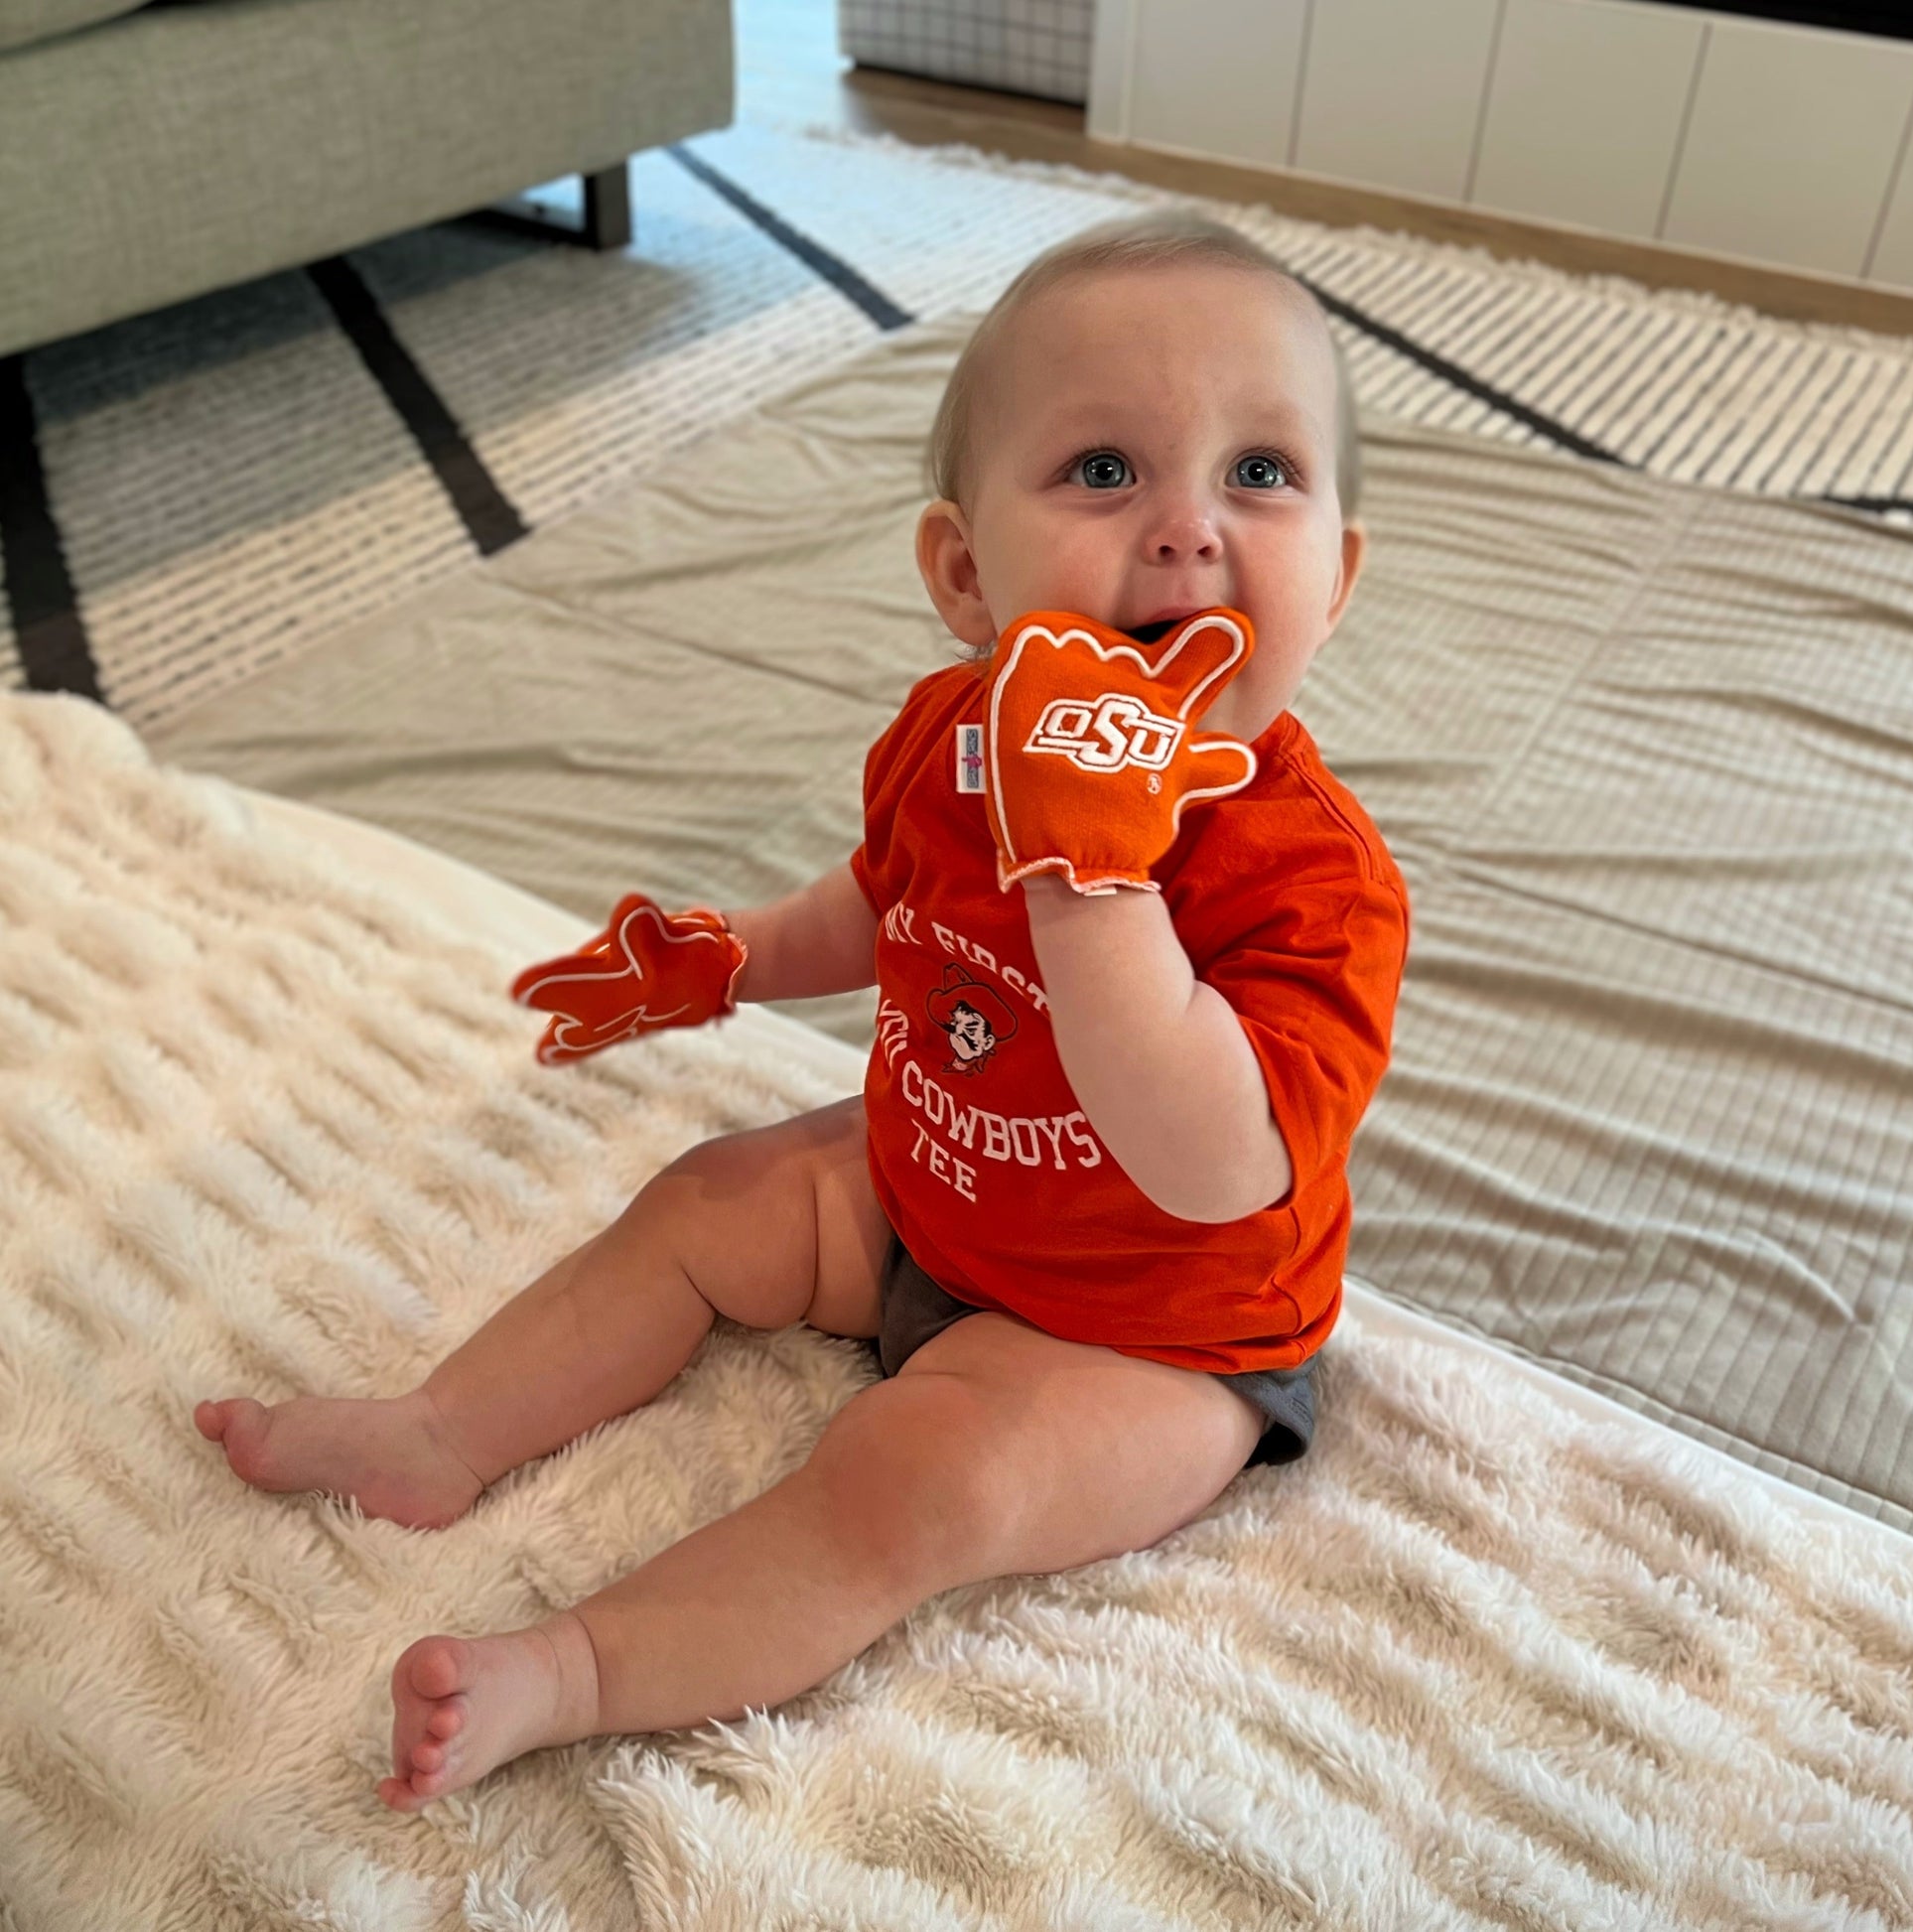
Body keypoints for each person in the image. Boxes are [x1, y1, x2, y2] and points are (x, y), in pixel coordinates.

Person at [193, 208, 1410, 1813]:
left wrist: (1091, 882)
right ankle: (433, 1431)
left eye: (1262, 473)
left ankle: (575, 1668)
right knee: (710, 1197)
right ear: (964, 577)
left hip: (1152, 1337)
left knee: (918, 1470)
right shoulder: (949, 733)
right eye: (1104, 470)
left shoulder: (1312, 878)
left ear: (1333, 577)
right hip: (928, 1198)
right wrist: (732, 958)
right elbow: (885, 903)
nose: (1187, 528)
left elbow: (1213, 1167)